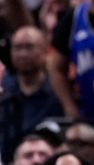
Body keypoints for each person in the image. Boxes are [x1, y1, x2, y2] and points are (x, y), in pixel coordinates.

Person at [0, 26, 63, 163]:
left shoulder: (59, 89)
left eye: (29, 47)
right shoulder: (4, 88)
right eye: (17, 48)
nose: (23, 54)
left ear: (45, 51)